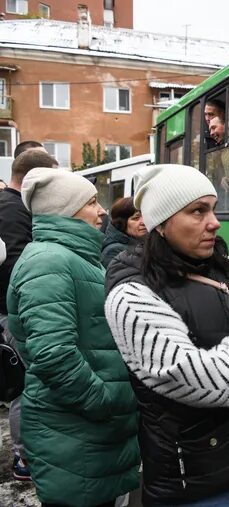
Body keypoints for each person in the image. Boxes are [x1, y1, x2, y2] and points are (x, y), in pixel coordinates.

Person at [104, 164, 229, 506]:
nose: (215, 222)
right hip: (193, 478)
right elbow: (199, 379)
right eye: (198, 211)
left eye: (213, 209)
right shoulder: (131, 293)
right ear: (161, 222)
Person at [7, 168, 140, 506]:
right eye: (91, 202)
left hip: (86, 429)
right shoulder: (49, 262)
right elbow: (53, 356)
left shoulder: (74, 256)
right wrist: (106, 402)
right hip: (77, 427)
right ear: (65, 209)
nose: (102, 211)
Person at [0, 147, 58, 482]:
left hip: (18, 313)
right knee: (26, 387)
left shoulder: (15, 207)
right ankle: (24, 458)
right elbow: (16, 270)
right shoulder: (11, 210)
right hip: (14, 315)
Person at [101, 197, 147, 268]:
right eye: (136, 218)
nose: (143, 222)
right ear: (122, 223)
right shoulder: (113, 251)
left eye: (145, 216)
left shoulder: (147, 244)